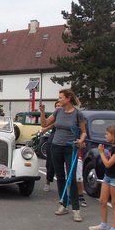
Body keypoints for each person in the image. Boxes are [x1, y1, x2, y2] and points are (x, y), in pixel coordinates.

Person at [40, 88, 87, 222]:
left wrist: (81, 140)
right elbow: (44, 124)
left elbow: (84, 132)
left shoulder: (78, 114)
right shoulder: (58, 111)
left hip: (70, 148)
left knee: (71, 178)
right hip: (56, 146)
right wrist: (42, 112)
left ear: (68, 99)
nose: (58, 99)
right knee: (60, 177)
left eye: (61, 97)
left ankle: (76, 209)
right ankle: (63, 204)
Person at [89, 124, 115, 230]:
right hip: (108, 176)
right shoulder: (113, 147)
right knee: (102, 201)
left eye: (107, 134)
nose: (105, 136)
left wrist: (101, 152)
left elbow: (108, 164)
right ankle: (103, 224)